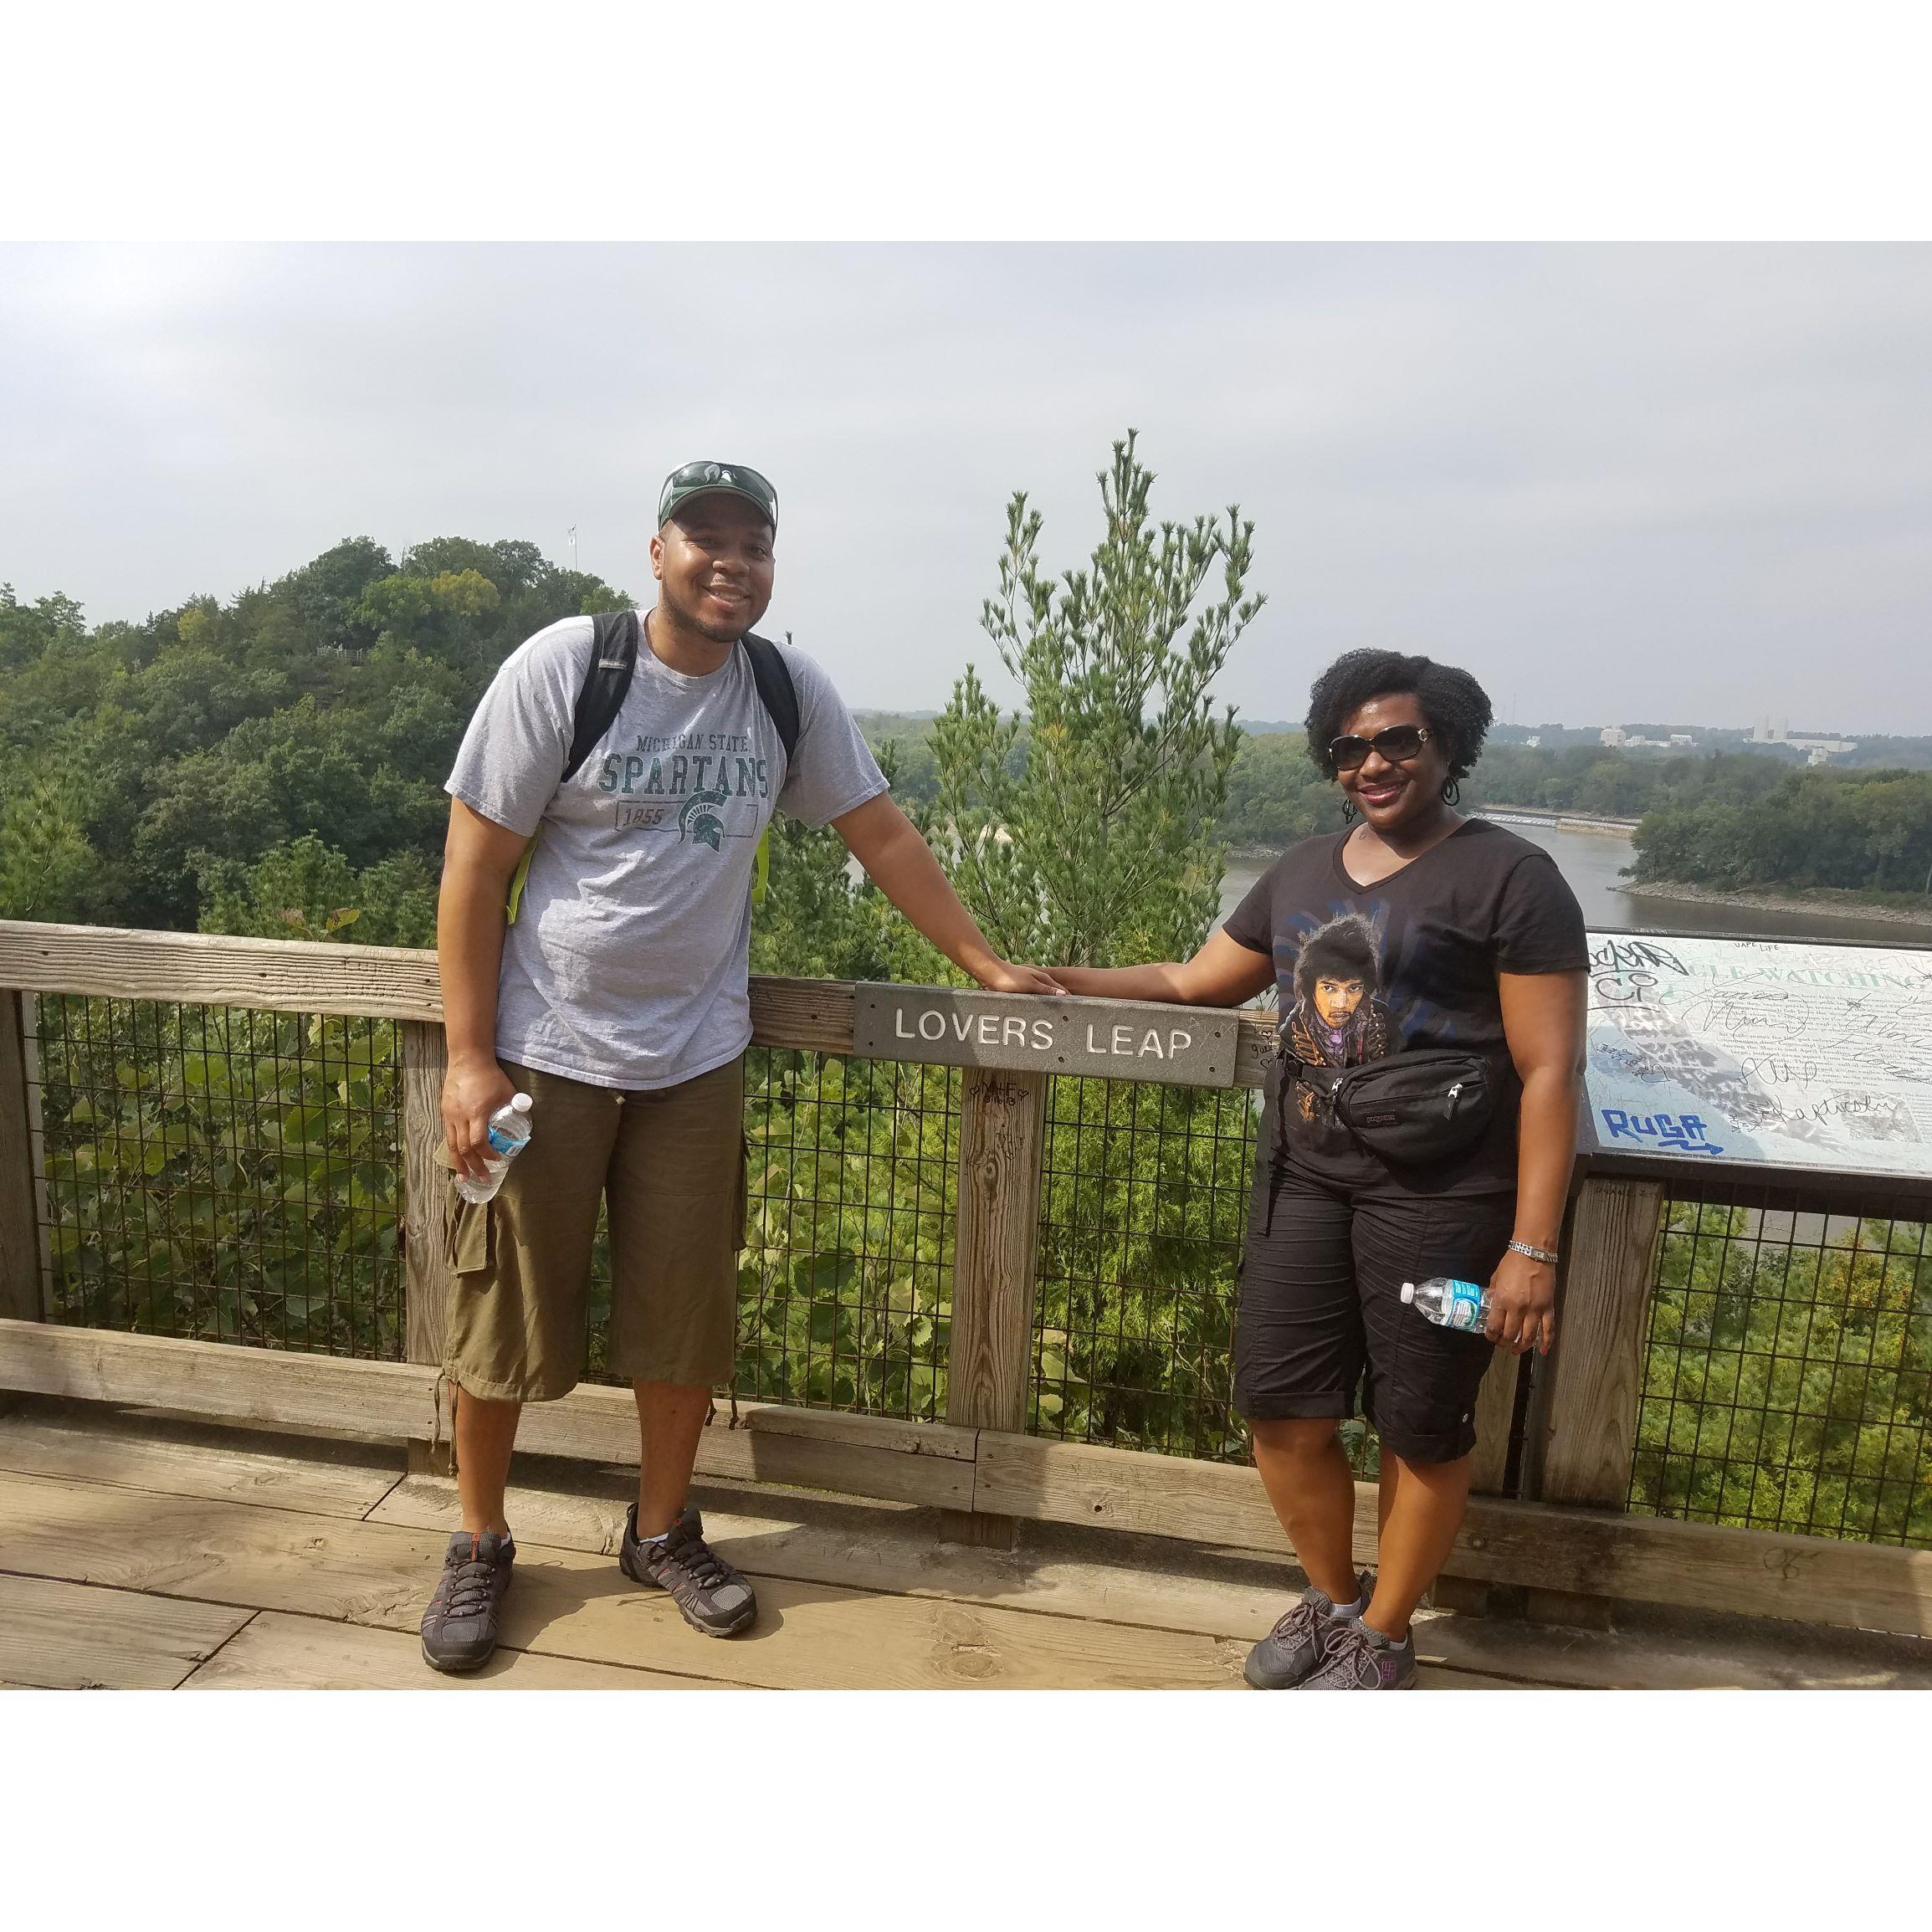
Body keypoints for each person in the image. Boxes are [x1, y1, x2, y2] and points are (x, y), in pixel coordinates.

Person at [419, 460, 1061, 1673]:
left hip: (696, 1055)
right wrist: (466, 1057)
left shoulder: (782, 688)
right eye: (705, 538)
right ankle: (480, 1542)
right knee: (504, 1303)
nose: (731, 563)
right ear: (655, 551)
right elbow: (472, 867)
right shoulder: (570, 666)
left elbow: (880, 830)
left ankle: (662, 1529)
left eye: (754, 545)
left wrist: (985, 964)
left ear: (773, 567)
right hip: (541, 1053)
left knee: (684, 1310)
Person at [1051, 648, 1586, 1689]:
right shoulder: (1301, 868)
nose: (1372, 762)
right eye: (1349, 746)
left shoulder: (1510, 878)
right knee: (1281, 1405)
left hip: (1446, 1200)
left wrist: (1531, 1244)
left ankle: (1383, 1633)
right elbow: (1195, 978)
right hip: (1305, 1179)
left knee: (1420, 1416)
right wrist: (1049, 978)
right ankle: (1332, 1597)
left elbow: (1549, 1066)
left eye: (1397, 740)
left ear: (1446, 746)